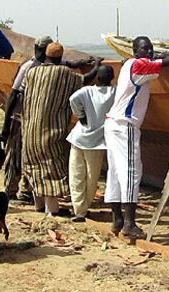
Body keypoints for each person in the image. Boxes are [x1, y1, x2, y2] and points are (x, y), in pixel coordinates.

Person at [104, 36, 169, 238]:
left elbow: (153, 63)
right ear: (135, 51)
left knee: (116, 172)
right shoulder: (138, 66)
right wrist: (163, 57)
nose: (149, 52)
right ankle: (129, 224)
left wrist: (155, 58)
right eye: (145, 49)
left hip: (113, 124)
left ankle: (117, 220)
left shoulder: (128, 63)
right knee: (131, 172)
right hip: (124, 125)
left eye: (151, 48)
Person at [20, 42, 100, 216]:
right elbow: (85, 80)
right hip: (49, 130)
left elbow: (21, 92)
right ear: (61, 57)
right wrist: (97, 65)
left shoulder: (32, 72)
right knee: (50, 167)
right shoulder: (64, 73)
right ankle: (52, 210)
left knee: (34, 167)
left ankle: (38, 205)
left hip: (29, 129)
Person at [1, 36, 54, 203]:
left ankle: (26, 191)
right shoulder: (28, 67)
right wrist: (7, 122)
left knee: (30, 155)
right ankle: (10, 190)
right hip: (18, 117)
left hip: (33, 119)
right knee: (14, 155)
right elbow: (14, 94)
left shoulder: (44, 68)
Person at [67, 65, 116, 222]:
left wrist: (81, 115)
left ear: (97, 78)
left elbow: (72, 99)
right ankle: (84, 208)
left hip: (78, 137)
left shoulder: (87, 91)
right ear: (112, 78)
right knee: (91, 177)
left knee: (76, 174)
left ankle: (78, 210)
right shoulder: (115, 93)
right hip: (96, 143)